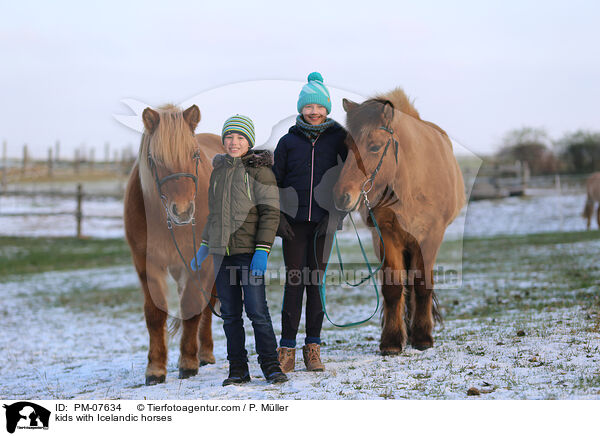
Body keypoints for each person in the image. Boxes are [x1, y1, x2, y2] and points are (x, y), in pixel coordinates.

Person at [191, 114, 287, 385]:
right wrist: (204, 247)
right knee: (230, 314)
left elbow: (270, 214)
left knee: (257, 312)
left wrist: (262, 250)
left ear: (249, 141)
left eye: (240, 138)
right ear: (223, 141)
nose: (234, 143)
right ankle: (238, 370)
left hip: (249, 254)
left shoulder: (260, 171)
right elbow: (213, 215)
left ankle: (271, 366)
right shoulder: (218, 172)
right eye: (229, 137)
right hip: (223, 255)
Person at [273, 72, 348, 373]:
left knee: (315, 283)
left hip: (323, 224)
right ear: (301, 108)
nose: (314, 112)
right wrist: (277, 217)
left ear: (327, 109)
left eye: (319, 107)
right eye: (308, 107)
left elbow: (349, 179)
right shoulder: (287, 142)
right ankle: (287, 348)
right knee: (294, 283)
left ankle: (313, 347)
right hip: (293, 225)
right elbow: (274, 183)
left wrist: (335, 216)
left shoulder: (340, 140)